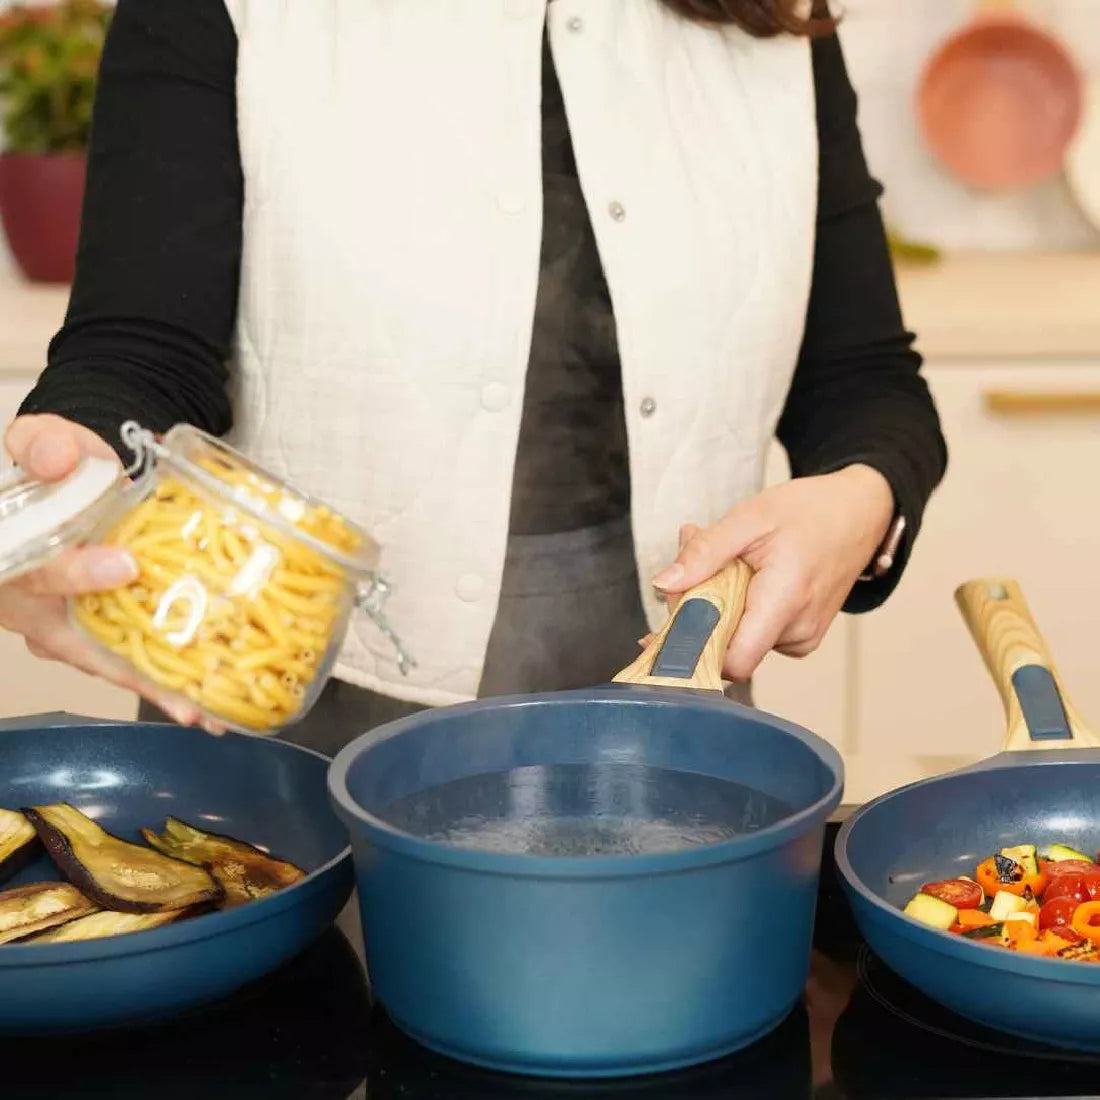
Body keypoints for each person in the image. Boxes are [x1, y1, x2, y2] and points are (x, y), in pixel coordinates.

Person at [1, 0, 946, 756]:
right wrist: (68, 466)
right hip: (271, 706)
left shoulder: (771, 20)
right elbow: (139, 354)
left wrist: (861, 503)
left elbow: (866, 381)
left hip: (672, 702)